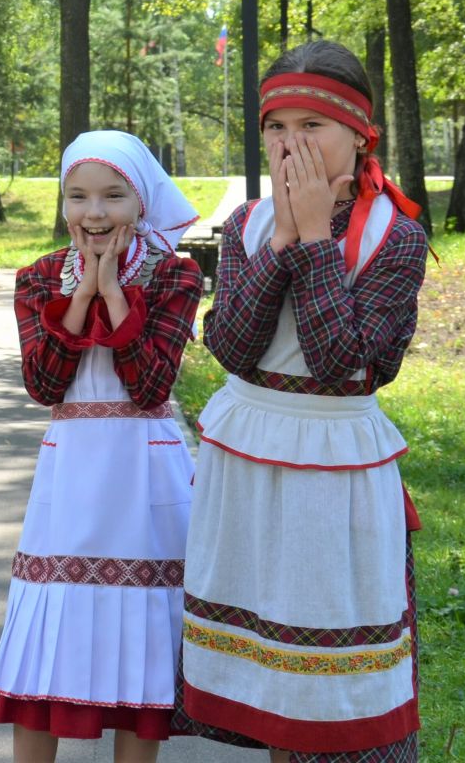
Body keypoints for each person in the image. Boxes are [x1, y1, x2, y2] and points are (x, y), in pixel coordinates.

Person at [178, 40, 429, 762]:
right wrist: (284, 235)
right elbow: (231, 344)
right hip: (246, 461)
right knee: (262, 675)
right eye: (276, 127)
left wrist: (316, 237)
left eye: (311, 126)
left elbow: (340, 363)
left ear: (359, 134)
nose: (291, 145)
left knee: (323, 667)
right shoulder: (248, 225)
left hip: (333, 467)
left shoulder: (397, 238)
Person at [0, 130, 205, 763]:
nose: (95, 213)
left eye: (113, 196)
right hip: (71, 471)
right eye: (78, 197)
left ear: (141, 202)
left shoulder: (175, 274)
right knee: (49, 631)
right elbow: (45, 383)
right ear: (62, 203)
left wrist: (113, 293)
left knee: (141, 641)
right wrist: (81, 293)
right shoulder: (37, 278)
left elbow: (150, 385)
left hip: (146, 471)